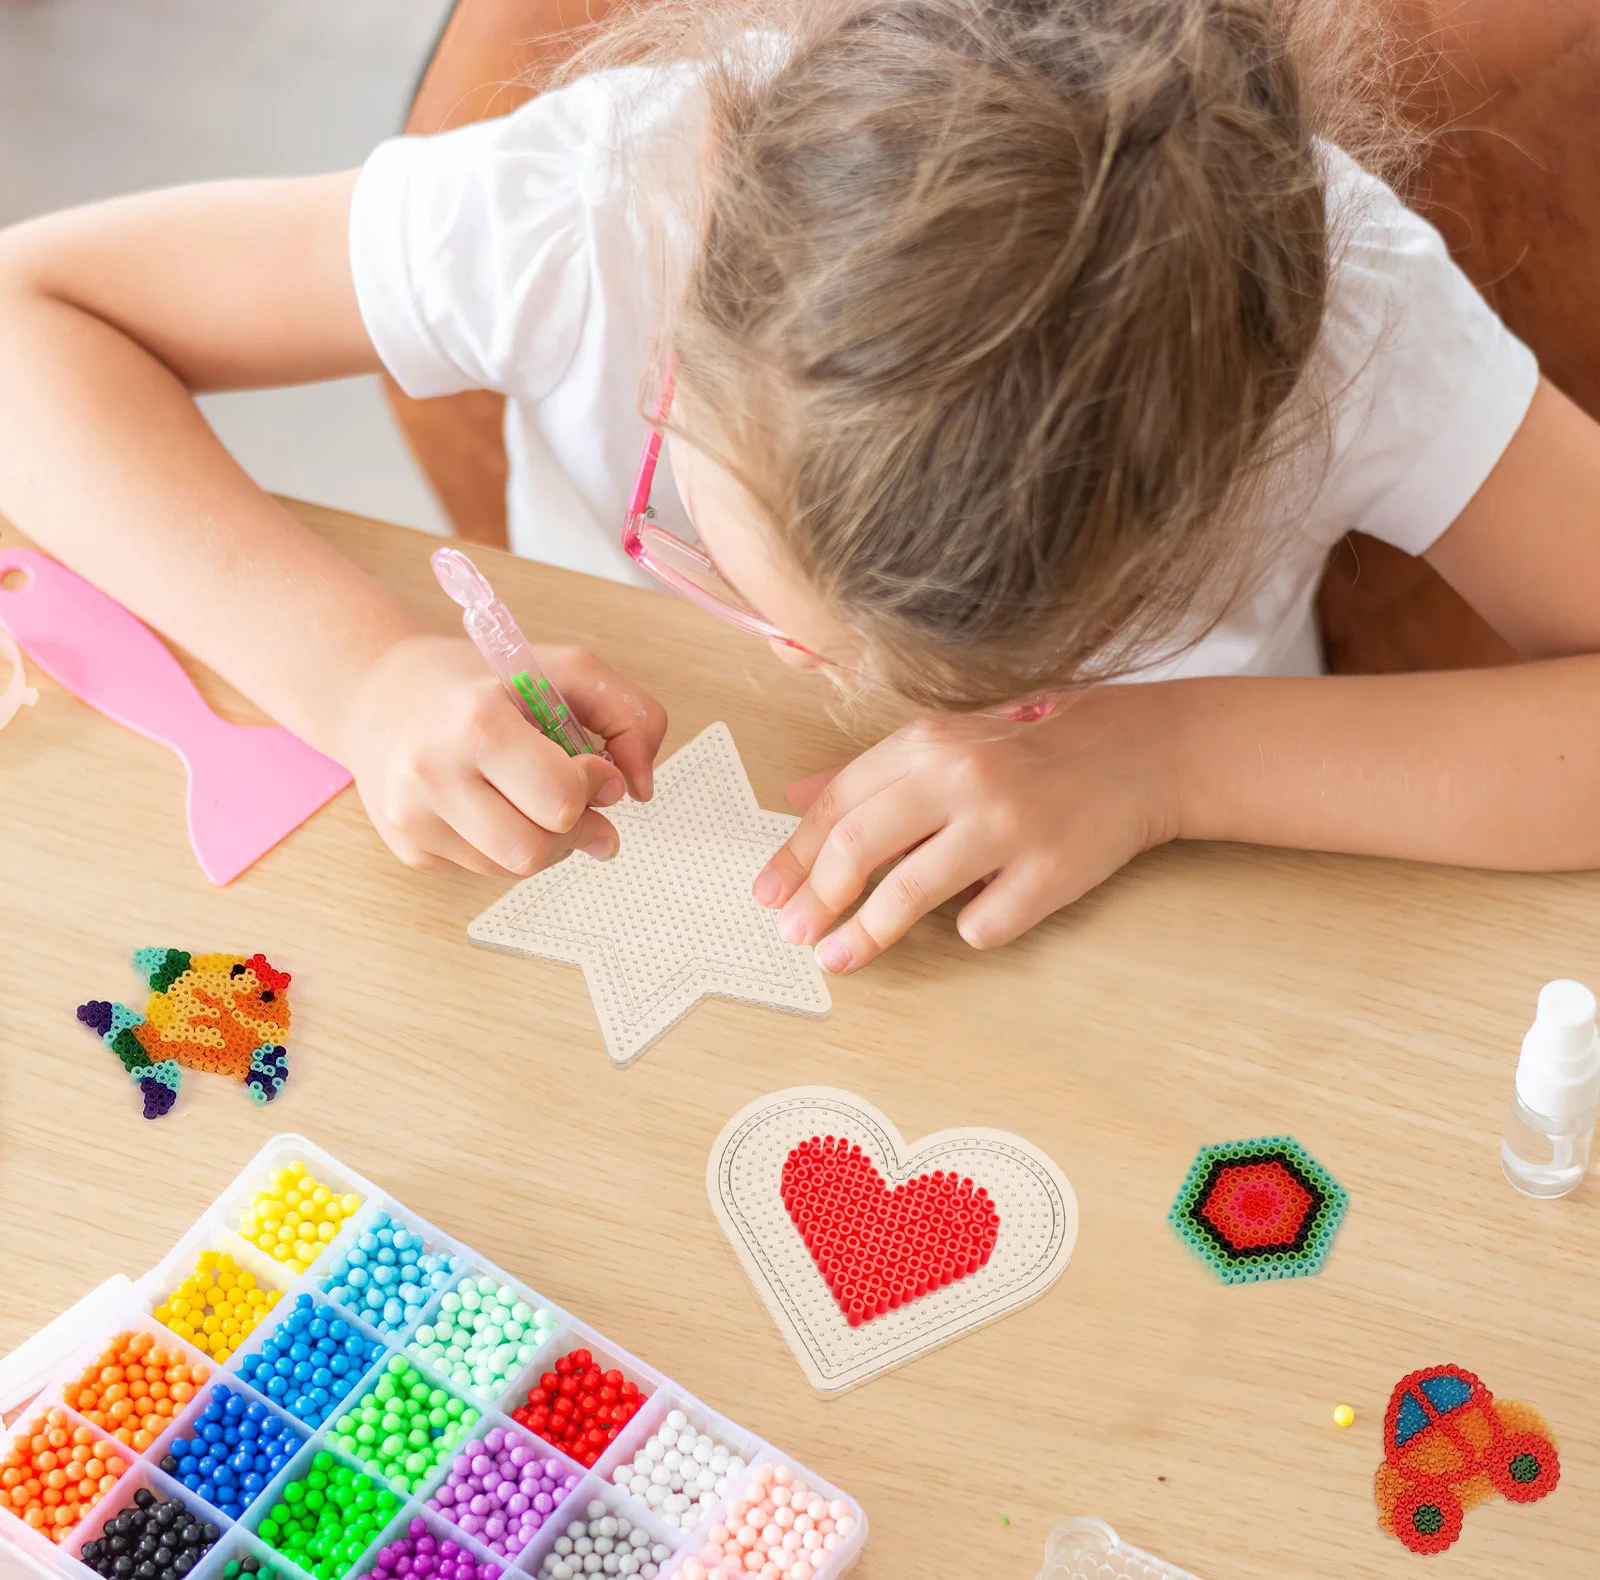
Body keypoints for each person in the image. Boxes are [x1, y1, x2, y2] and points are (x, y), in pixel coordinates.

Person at [3, 0, 1600, 979]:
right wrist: (358, 676)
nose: (819, 685)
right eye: (727, 566)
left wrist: (1161, 759)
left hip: (1197, 922)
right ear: (686, 324)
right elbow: (30, 318)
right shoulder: (601, 207)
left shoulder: (1345, 325)